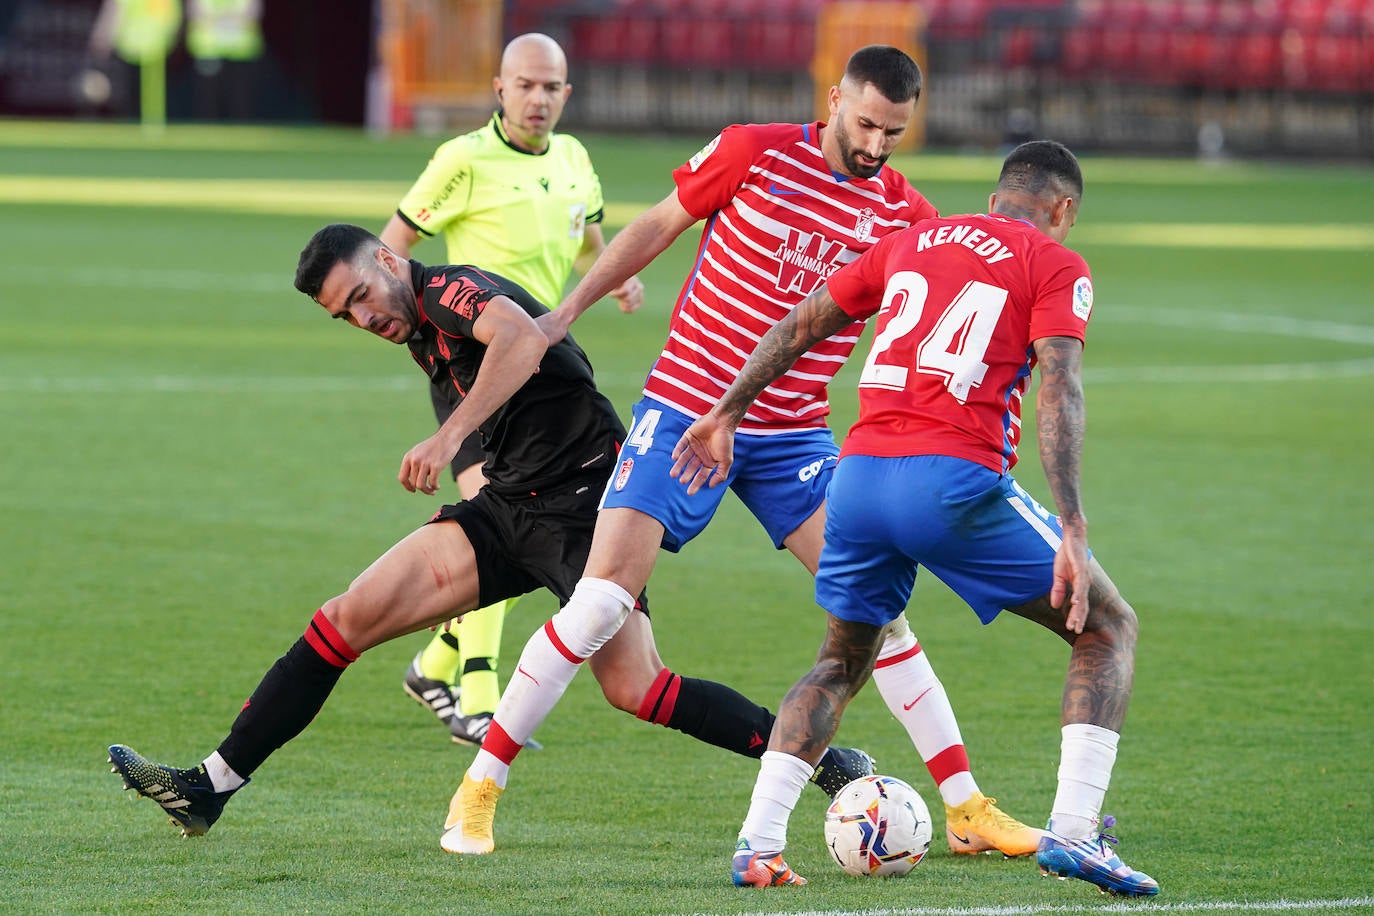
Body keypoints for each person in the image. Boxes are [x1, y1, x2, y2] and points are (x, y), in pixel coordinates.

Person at [442, 45, 1041, 860]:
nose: (874, 144)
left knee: (877, 612)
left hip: (793, 436)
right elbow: (657, 225)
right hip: (687, 409)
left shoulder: (908, 215)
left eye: (893, 132)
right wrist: (563, 314)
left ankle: (967, 806)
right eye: (864, 123)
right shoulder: (751, 151)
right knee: (602, 599)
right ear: (834, 99)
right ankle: (480, 787)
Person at [106, 224, 868, 838]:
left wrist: (445, 440)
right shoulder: (416, 333)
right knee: (346, 618)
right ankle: (209, 786)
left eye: (363, 295)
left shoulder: (446, 291)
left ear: (387, 257)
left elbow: (522, 339)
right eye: (346, 314)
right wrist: (466, 472)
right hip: (509, 509)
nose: (364, 317)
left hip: (589, 509)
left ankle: (820, 758)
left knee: (636, 687)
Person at [670, 140, 1159, 896]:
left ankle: (757, 844)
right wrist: (1073, 521)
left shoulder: (910, 241)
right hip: (951, 482)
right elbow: (1059, 386)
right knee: (1107, 626)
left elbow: (802, 323)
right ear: (1061, 210)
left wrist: (726, 411)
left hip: (857, 480)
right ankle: (1076, 833)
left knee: (841, 661)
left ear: (997, 196)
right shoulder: (1056, 263)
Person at [380, 32, 644, 748]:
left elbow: (589, 238)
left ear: (566, 93)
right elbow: (391, 245)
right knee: (490, 510)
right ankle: (477, 692)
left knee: (509, 515)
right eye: (524, 84)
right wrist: (413, 329)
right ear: (499, 87)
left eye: (550, 87)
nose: (537, 98)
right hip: (469, 368)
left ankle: (435, 664)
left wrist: (618, 278)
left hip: (536, 380)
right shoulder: (462, 160)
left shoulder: (574, 161)